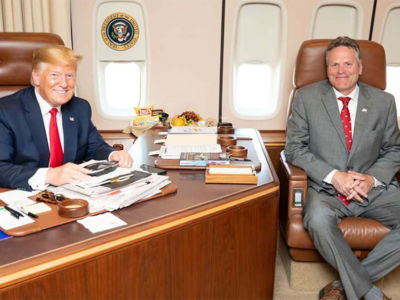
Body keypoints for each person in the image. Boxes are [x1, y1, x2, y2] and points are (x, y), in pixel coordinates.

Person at [285, 36, 400, 300]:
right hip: (326, 191)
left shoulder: (384, 102)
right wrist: (333, 176)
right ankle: (369, 292)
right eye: (334, 65)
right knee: (317, 220)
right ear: (326, 68)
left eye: (347, 64)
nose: (340, 71)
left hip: (374, 191)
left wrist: (372, 179)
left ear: (360, 67)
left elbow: (394, 150)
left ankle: (342, 286)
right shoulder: (307, 98)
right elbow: (294, 148)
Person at [0, 45, 133, 191]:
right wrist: (50, 175)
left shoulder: (80, 108)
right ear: (37, 77)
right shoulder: (6, 111)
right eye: (54, 75)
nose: (64, 84)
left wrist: (112, 155)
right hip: (25, 194)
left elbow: (94, 146)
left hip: (71, 193)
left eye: (69, 75)